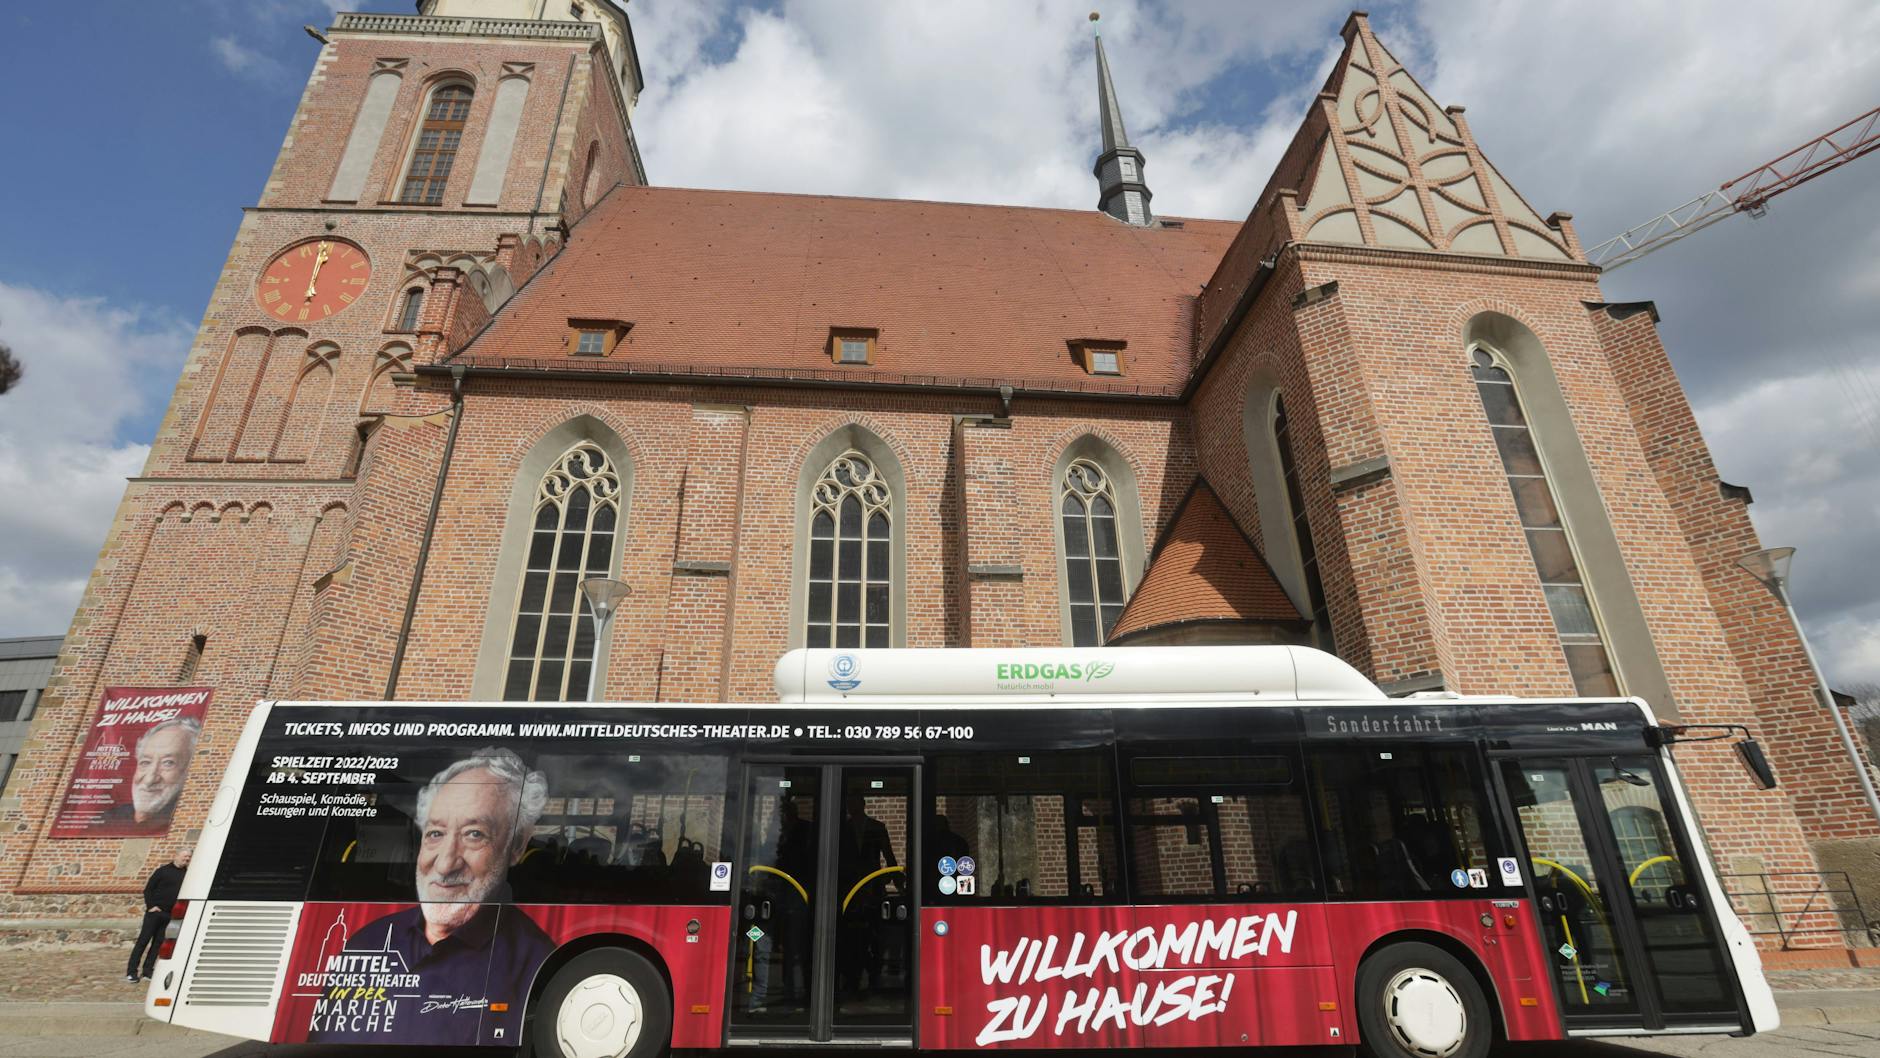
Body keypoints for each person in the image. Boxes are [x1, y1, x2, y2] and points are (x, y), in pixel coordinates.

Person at [306, 748, 553, 1046]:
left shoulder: (535, 962)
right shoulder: (367, 942)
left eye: (474, 834)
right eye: (435, 833)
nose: (445, 863)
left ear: (515, 846)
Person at [100, 718, 200, 835]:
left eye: (168, 763)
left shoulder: (189, 822)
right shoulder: (106, 821)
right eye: (145, 762)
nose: (149, 780)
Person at [127, 848, 191, 982]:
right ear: (176, 855)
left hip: (170, 915)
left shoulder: (187, 874)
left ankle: (147, 971)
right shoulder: (162, 871)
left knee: (158, 944)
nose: (186, 859)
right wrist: (151, 906)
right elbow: (148, 889)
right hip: (155, 913)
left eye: (188, 857)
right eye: (184, 856)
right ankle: (131, 972)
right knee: (143, 942)